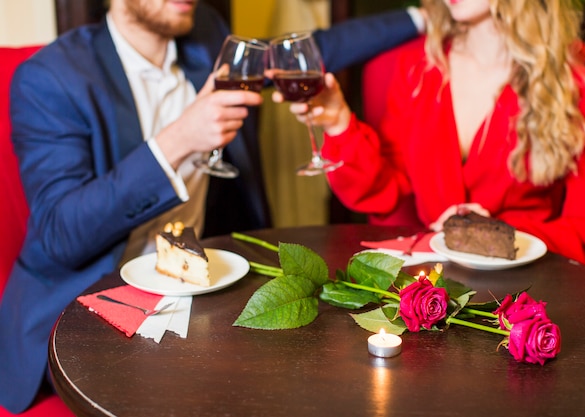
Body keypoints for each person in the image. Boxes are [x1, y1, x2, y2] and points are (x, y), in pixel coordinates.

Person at [0, 0, 427, 413]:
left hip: (198, 295)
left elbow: (310, 51)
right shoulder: (51, 76)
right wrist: (179, 139)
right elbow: (59, 234)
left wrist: (423, 17)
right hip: (85, 308)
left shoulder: (206, 37)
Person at [278, 0, 585, 268]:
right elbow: (386, 191)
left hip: (527, 291)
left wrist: (503, 236)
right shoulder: (418, 69)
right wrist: (339, 121)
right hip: (430, 289)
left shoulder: (572, 86)